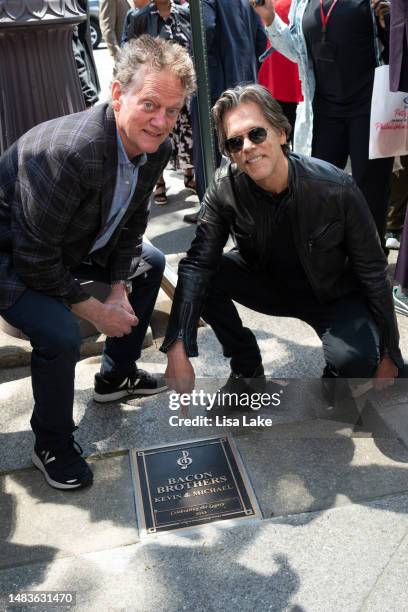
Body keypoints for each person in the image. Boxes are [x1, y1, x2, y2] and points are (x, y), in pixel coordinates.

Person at [0, 36, 196, 490]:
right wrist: (94, 311)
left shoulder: (156, 148)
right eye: (150, 104)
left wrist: (118, 288)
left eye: (172, 110)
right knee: (61, 331)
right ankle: (51, 441)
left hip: (70, 244)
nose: (161, 121)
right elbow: (34, 259)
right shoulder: (71, 152)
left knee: (149, 261)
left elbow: (131, 226)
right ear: (116, 94)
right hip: (13, 257)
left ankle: (116, 375)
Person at [161, 84, 403, 400]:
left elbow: (374, 274)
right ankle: (247, 371)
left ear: (281, 133)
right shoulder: (224, 190)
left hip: (332, 295)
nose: (247, 146)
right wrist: (178, 342)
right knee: (205, 273)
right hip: (270, 285)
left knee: (357, 364)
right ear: (231, 154)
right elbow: (196, 265)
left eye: (256, 134)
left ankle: (338, 371)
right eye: (235, 142)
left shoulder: (336, 188)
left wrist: (390, 352)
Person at [253, 0, 394, 245]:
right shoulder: (303, 3)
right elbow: (297, 51)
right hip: (324, 109)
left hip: (369, 106)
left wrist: (389, 17)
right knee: (318, 188)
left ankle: (372, 262)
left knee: (370, 191)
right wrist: (270, 18)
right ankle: (328, 257)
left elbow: (394, 39)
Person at [183, 0, 267, 223]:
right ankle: (247, 207)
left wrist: (195, 65)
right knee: (245, 147)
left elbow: (206, 29)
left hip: (214, 86)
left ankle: (210, 211)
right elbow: (260, 37)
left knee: (208, 149)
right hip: (246, 81)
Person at [124, 0, 195, 205]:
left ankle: (189, 174)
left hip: (181, 92)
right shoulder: (139, 17)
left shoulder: (185, 14)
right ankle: (158, 182)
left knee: (185, 134)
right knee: (155, 134)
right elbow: (131, 56)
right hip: (154, 94)